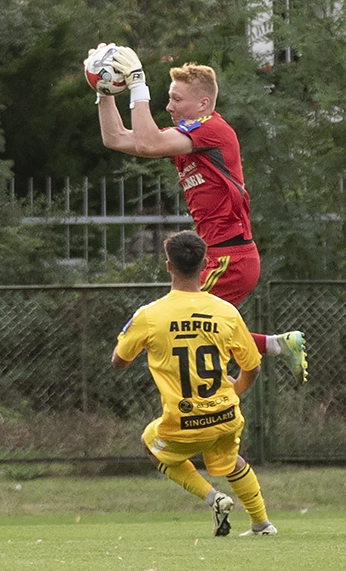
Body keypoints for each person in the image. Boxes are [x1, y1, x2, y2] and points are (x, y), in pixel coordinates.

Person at [89, 43, 307, 384]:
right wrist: (103, 91)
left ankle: (220, 399)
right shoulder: (190, 135)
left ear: (203, 104)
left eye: (177, 99)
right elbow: (115, 138)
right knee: (194, 328)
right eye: (169, 98)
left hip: (229, 256)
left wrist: (137, 83)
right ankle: (276, 346)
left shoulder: (212, 130)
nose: (168, 106)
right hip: (218, 254)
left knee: (188, 326)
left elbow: (147, 143)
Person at [112, 229, 277, 536]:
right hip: (226, 416)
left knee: (151, 443)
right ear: (205, 265)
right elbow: (252, 366)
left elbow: (118, 362)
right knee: (231, 461)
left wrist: (148, 344)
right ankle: (261, 524)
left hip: (183, 423)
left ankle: (213, 497)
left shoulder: (150, 315)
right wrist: (235, 388)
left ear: (168, 266)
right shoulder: (225, 312)